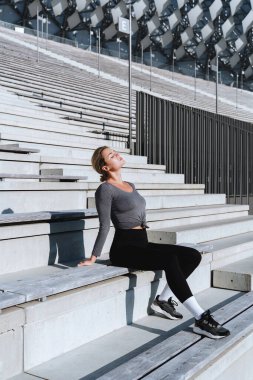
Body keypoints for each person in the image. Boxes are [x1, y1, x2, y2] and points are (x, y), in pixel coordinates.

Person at [78, 146, 230, 339]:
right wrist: (94, 257)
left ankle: (164, 299)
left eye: (114, 151)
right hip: (124, 248)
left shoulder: (131, 185)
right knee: (169, 260)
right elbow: (104, 225)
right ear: (105, 167)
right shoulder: (105, 190)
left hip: (142, 242)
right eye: (110, 155)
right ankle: (201, 318)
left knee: (192, 255)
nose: (116, 154)